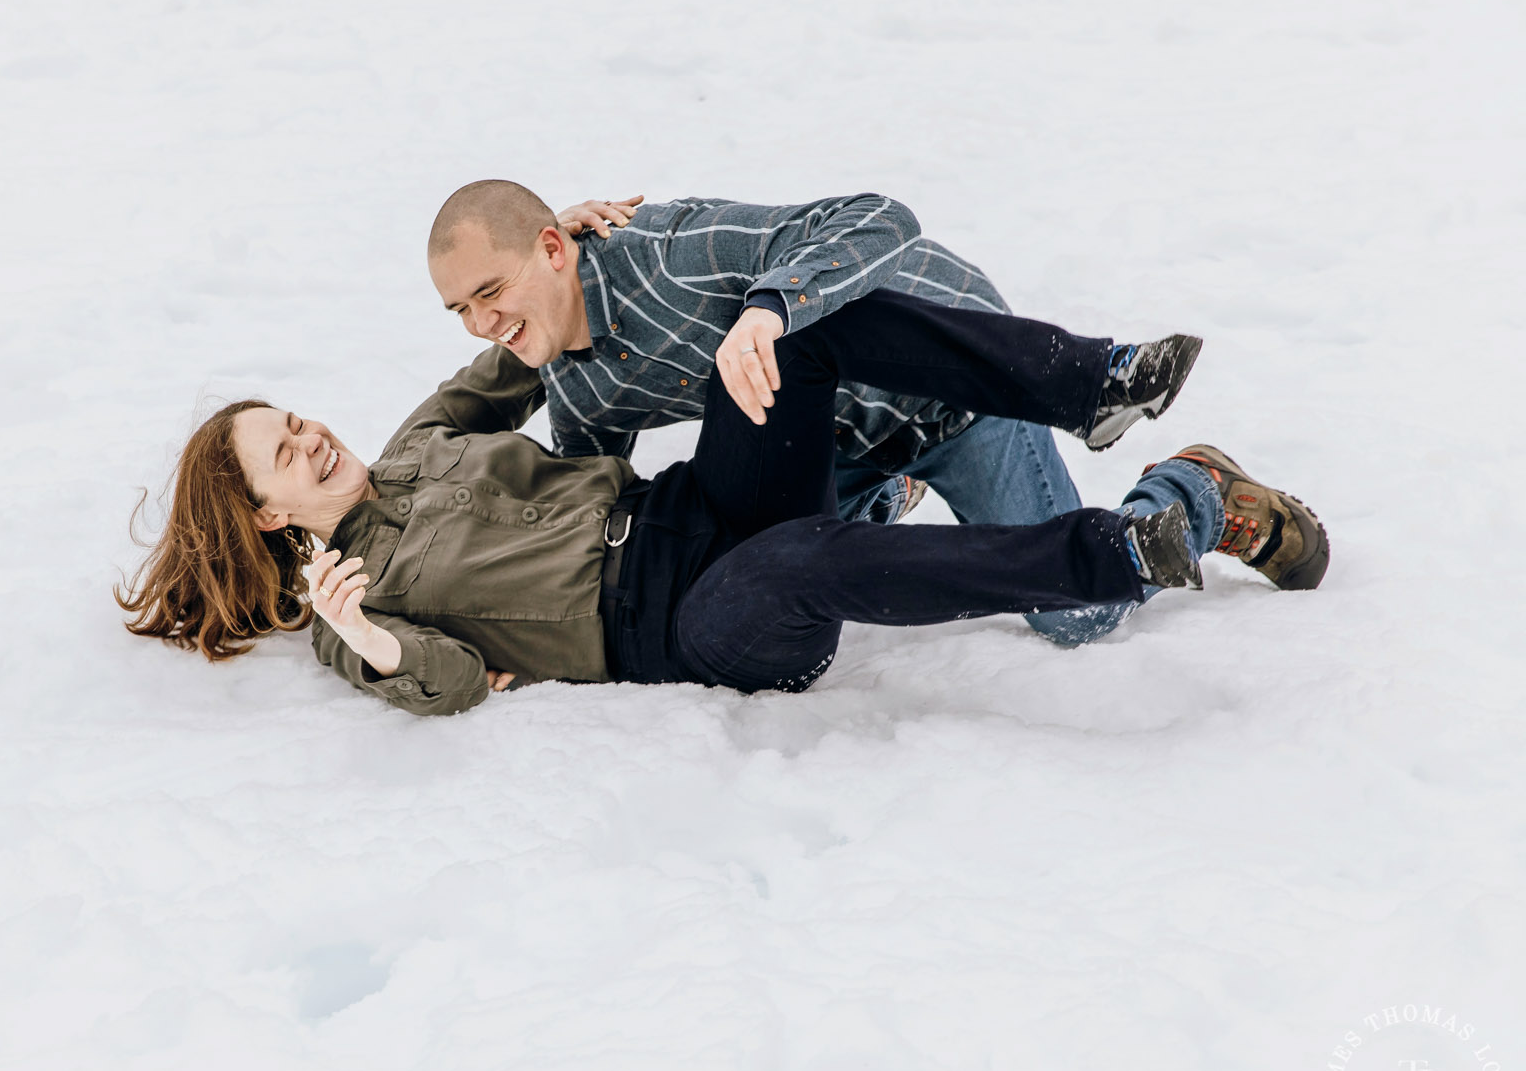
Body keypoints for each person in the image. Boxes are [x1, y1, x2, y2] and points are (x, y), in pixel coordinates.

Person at [116, 277, 1330, 715]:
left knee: (787, 331)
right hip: (682, 626)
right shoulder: (347, 607)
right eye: (284, 450)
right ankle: (1123, 547)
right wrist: (371, 636)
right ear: (268, 514)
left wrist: (564, 246)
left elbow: (517, 346)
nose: (311, 434)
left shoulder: (418, 440)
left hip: (688, 509)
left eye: (293, 416)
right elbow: (438, 686)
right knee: (804, 566)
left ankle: (1090, 378)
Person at [427, 181, 1215, 647]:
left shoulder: (664, 251)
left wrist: (769, 308)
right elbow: (596, 515)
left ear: (555, 250)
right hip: (841, 439)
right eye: (461, 308)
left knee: (1078, 622)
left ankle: (1188, 481)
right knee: (776, 529)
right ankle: (884, 494)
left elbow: (880, 217)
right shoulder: (577, 393)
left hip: (956, 387)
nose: (478, 322)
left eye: (490, 292)